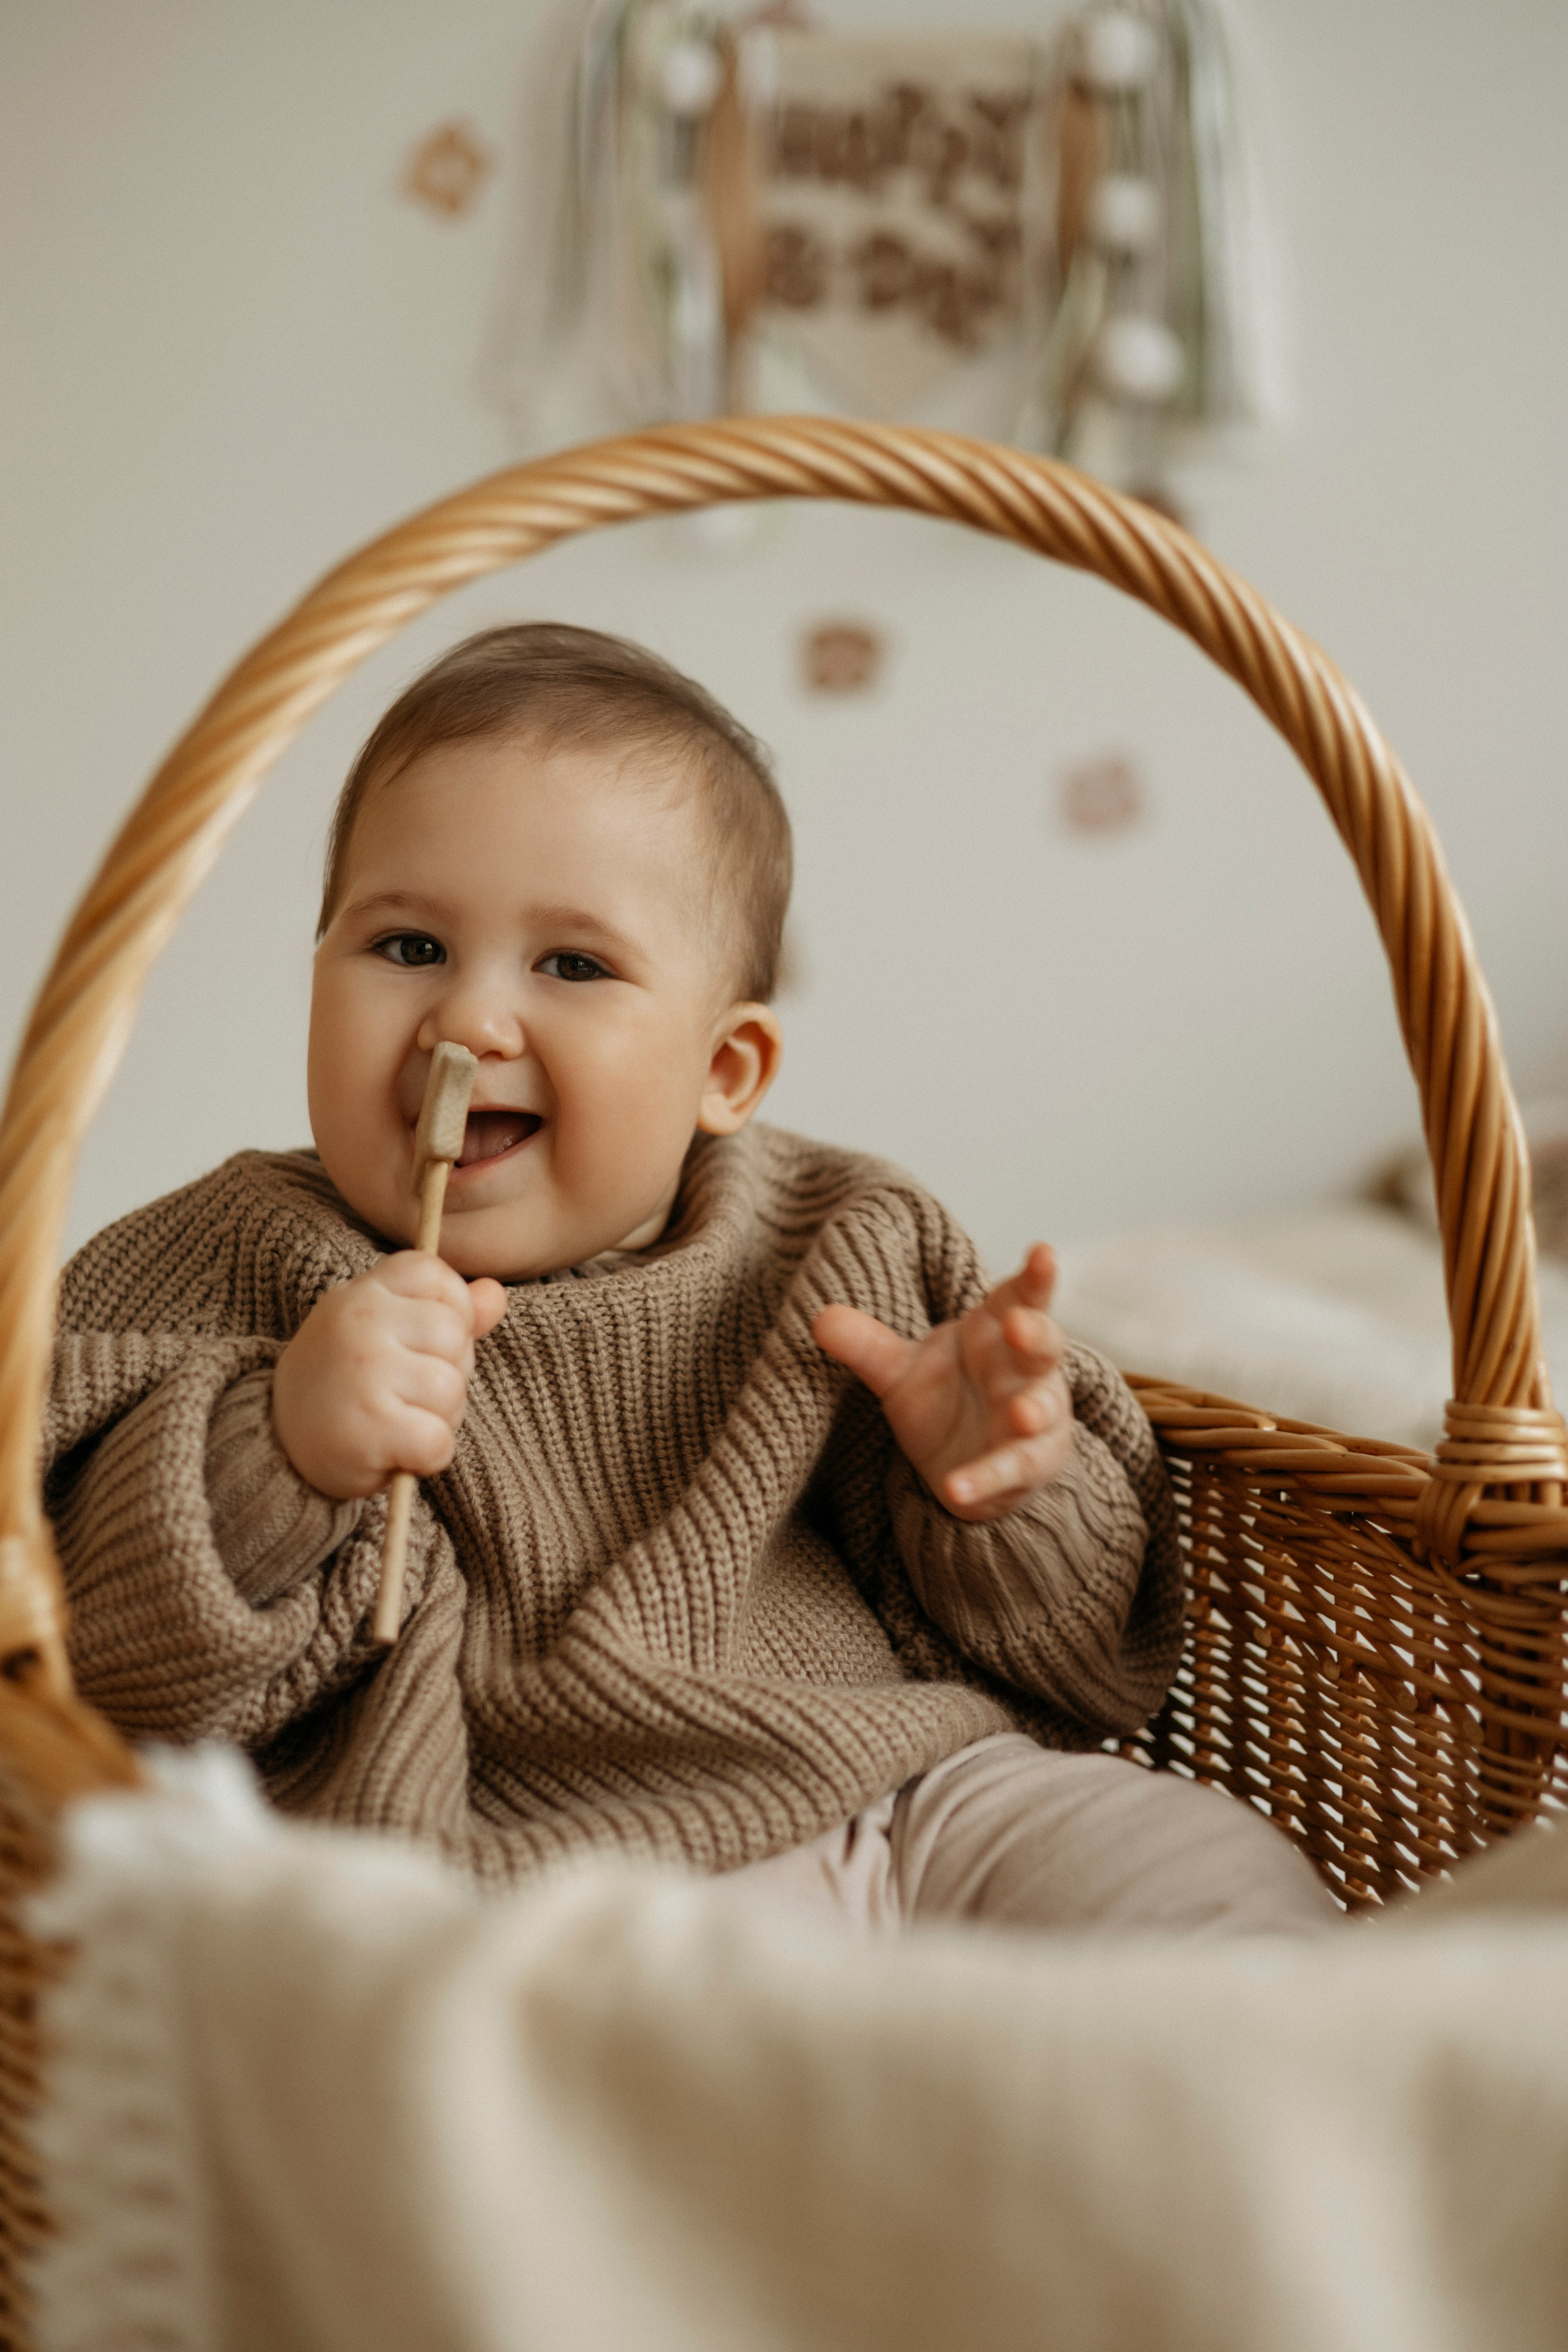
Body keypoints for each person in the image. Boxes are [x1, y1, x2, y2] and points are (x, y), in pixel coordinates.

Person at [44, 625, 1335, 1937]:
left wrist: (996, 1490)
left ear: (725, 1072)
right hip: (526, 1884)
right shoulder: (220, 1257)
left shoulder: (841, 1240)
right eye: (408, 947)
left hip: (903, 1795)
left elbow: (1081, 1665)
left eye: (573, 965)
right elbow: (89, 1660)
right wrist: (282, 1455)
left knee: (1197, 1870)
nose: (469, 1022)